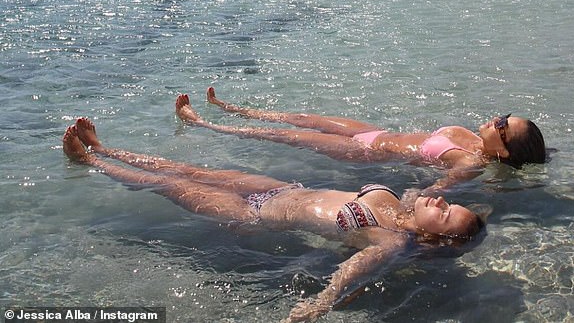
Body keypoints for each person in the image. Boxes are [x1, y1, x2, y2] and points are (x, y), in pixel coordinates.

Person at [63, 118, 485, 323]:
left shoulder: (391, 241)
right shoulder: (405, 203)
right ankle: (106, 148)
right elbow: (439, 187)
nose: (441, 203)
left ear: (435, 238)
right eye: (448, 204)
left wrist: (314, 307)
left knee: (166, 186)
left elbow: (348, 276)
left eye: (445, 214)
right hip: (281, 187)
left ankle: (91, 162)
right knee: (190, 170)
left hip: (255, 214)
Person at [175, 88, 546, 193]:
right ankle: (230, 107)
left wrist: (411, 198)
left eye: (501, 124)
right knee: (301, 117)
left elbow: (436, 190)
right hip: (375, 131)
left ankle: (201, 124)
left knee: (285, 136)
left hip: (365, 152)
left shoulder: (469, 163)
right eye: (502, 116)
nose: (495, 119)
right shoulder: (473, 141)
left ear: (503, 148)